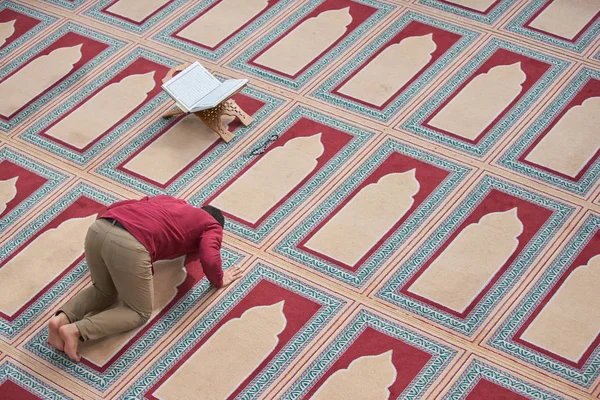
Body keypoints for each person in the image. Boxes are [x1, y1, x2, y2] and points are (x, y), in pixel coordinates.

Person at [47, 195, 243, 362]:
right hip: (131, 244)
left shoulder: (171, 200)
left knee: (103, 291)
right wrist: (219, 279)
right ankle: (76, 331)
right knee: (138, 312)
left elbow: (119, 205)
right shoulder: (212, 225)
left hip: (99, 228)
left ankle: (59, 320)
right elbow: (209, 257)